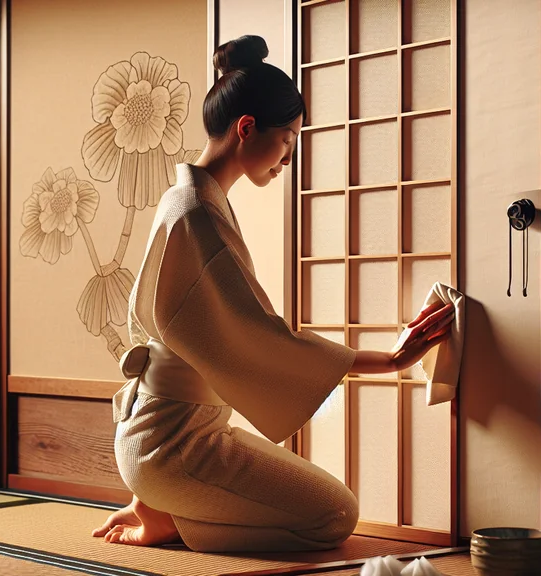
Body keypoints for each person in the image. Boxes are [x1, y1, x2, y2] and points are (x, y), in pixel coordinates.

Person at [90, 35, 455, 553]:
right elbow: (261, 338)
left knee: (323, 501)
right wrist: (391, 359)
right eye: (287, 141)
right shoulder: (196, 212)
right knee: (335, 516)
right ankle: (171, 512)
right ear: (246, 129)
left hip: (165, 439)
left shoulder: (187, 200)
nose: (288, 158)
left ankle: (166, 504)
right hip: (173, 448)